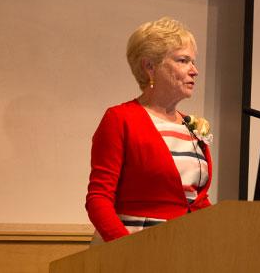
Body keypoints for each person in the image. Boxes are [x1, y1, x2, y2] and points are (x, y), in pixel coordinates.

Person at [85, 17, 213, 243]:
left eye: (193, 62)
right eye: (183, 61)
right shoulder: (121, 119)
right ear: (149, 66)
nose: (195, 71)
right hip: (135, 247)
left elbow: (196, 201)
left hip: (187, 246)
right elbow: (99, 199)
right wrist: (125, 250)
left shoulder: (190, 127)